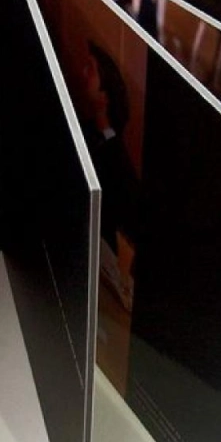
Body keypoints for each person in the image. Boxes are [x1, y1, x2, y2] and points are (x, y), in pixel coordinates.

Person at [77, 40, 141, 311]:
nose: (83, 74)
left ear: (105, 96)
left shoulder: (117, 157)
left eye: (91, 70)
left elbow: (132, 217)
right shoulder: (83, 131)